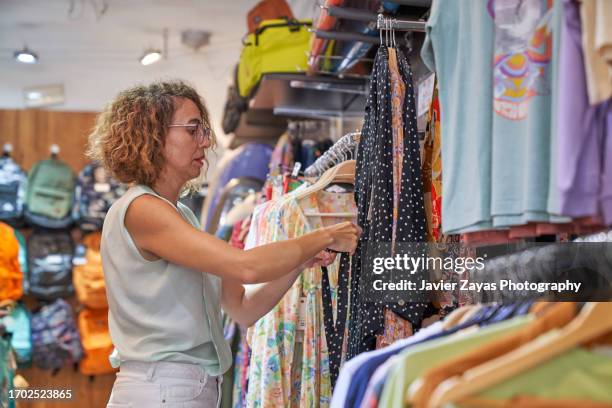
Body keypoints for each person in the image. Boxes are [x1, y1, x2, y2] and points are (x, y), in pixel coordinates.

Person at [87, 80, 361, 408]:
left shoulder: (182, 216)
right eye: (192, 130)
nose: (205, 140)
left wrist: (299, 263)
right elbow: (247, 266)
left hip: (184, 388)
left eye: (203, 129)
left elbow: (242, 308)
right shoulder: (142, 209)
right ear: (152, 135)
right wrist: (325, 235)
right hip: (162, 388)